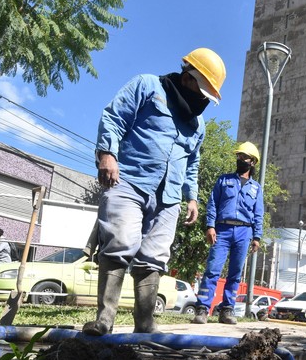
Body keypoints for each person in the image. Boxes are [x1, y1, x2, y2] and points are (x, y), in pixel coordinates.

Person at [82, 48, 226, 336]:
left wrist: (192, 196)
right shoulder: (147, 86)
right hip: (130, 181)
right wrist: (107, 155)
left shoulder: (198, 125)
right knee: (119, 242)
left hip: (169, 197)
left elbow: (192, 163)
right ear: (189, 78)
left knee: (155, 257)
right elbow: (113, 117)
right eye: (202, 90)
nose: (203, 100)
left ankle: (145, 324)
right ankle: (104, 320)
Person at [192, 142, 265, 325]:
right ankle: (202, 309)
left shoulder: (256, 188)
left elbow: (258, 213)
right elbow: (212, 204)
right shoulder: (224, 180)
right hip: (222, 230)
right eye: (238, 156)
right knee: (212, 270)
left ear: (253, 162)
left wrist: (257, 236)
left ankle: (227, 310)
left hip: (244, 231)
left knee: (235, 274)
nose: (240, 160)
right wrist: (210, 226)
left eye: (244, 157)